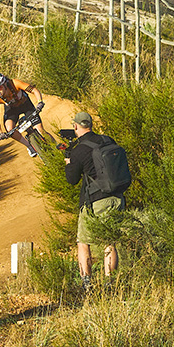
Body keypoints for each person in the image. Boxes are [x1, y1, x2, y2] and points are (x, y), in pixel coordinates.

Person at [64, 110, 122, 291]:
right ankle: (110, 283)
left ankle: (87, 285)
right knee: (109, 242)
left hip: (94, 202)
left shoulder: (79, 150)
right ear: (90, 125)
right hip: (116, 197)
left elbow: (72, 180)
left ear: (75, 126)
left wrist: (68, 160)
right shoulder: (107, 140)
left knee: (84, 242)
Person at [0, 72, 46, 157]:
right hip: (12, 110)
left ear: (5, 84)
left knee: (40, 130)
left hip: (26, 105)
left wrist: (40, 102)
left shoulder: (15, 83)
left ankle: (54, 146)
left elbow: (34, 90)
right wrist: (0, 133)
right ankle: (29, 146)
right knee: (9, 128)